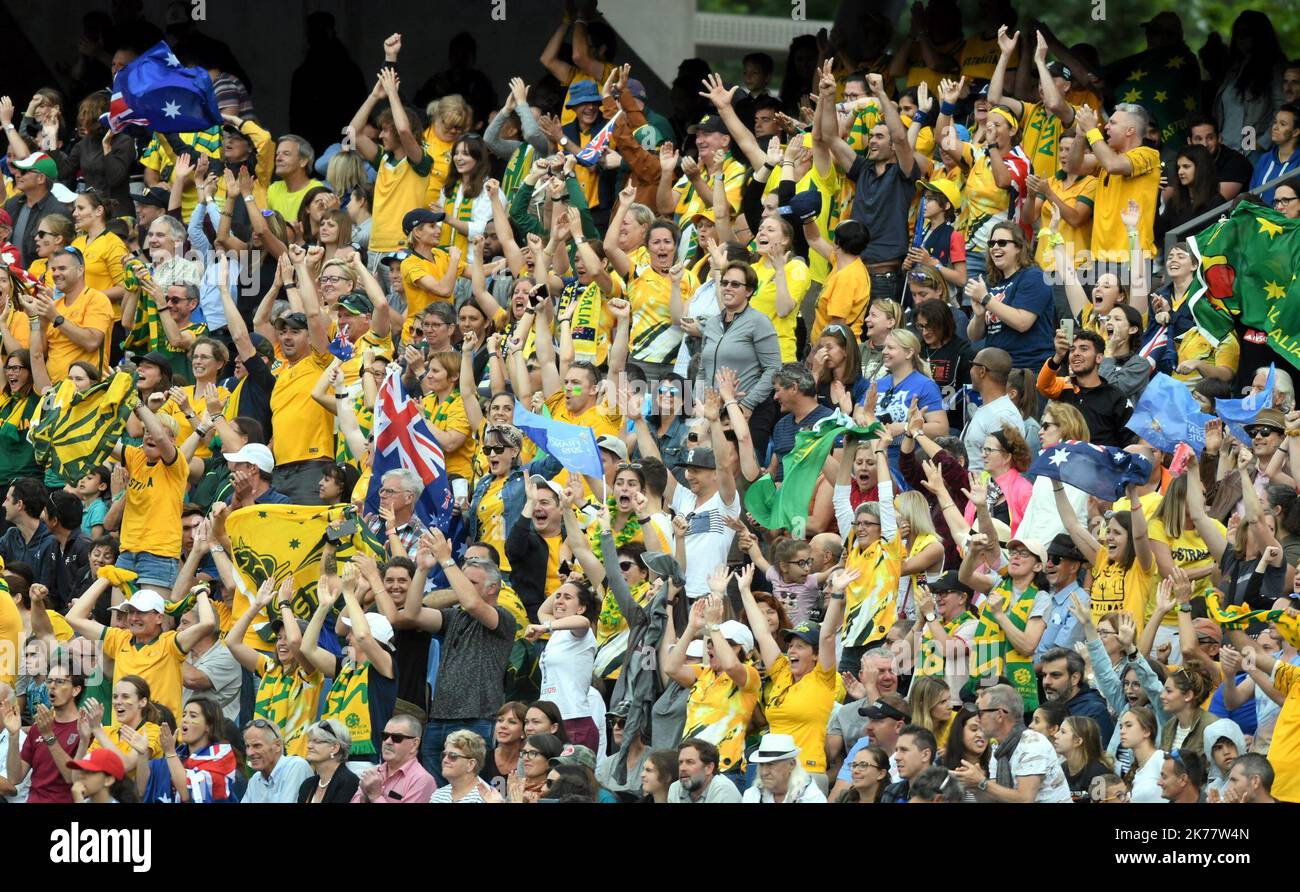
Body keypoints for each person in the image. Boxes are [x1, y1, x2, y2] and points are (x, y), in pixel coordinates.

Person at [65, 585, 214, 722]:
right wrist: (105, 577)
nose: (134, 618)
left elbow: (207, 624)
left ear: (159, 617)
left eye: (141, 612)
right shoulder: (119, 639)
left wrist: (201, 593)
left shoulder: (170, 644)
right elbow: (73, 617)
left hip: (159, 738)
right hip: (121, 737)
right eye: (131, 612)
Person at [953, 683, 1071, 802]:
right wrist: (975, 786)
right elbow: (993, 799)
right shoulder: (998, 749)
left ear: (999, 715)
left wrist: (982, 782)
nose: (977, 719)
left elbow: (1025, 799)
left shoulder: (1032, 744)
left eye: (981, 713)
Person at [966, 222, 1056, 371]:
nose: (995, 247)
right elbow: (974, 336)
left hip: (1027, 370)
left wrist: (986, 299)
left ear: (1019, 247)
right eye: (992, 243)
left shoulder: (1034, 277)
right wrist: (979, 316)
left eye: (1002, 243)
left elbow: (1022, 322)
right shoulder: (991, 283)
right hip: (995, 370)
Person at [523, 578, 598, 751]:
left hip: (574, 721)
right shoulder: (557, 631)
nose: (559, 601)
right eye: (557, 596)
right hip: (552, 722)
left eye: (567, 597)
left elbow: (583, 622)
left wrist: (545, 627)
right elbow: (543, 610)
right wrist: (567, 584)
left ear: (581, 608)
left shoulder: (579, 632)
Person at [2, 664, 83, 802]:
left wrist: (49, 736)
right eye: (49, 681)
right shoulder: (38, 727)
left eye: (59, 682)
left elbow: (73, 778)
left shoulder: (84, 727)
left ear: (75, 690)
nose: (51, 686)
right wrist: (14, 735)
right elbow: (14, 778)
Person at [143, 700, 241, 803]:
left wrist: (170, 753)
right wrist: (142, 753)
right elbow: (142, 788)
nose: (185, 720)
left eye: (193, 716)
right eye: (184, 715)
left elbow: (187, 794)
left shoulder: (220, 756)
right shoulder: (179, 755)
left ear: (209, 726)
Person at [961, 348, 1024, 473]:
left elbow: (1002, 469)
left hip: (984, 490)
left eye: (972, 365)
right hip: (971, 488)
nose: (970, 370)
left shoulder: (1003, 415)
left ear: (982, 371)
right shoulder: (990, 410)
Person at [352, 714, 437, 804]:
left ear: (415, 744)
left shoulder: (421, 780)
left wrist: (375, 796)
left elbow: (374, 795)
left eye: (397, 738)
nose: (388, 742)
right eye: (385, 736)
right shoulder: (374, 773)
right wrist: (365, 796)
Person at [1039, 646, 1115, 740]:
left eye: (1055, 675)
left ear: (1074, 678)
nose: (1046, 681)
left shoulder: (1094, 712)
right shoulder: (1048, 708)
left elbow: (1099, 753)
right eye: (1044, 675)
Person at [241, 718, 313, 804]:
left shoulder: (296, 766)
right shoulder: (255, 779)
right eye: (247, 746)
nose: (249, 753)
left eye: (257, 746)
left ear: (277, 745)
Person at [742, 732, 828, 803]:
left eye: (771, 764)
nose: (764, 772)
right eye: (761, 764)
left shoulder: (811, 797)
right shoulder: (752, 795)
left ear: (791, 764)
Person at [297, 719, 359, 803]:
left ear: (335, 748)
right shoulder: (307, 785)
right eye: (309, 741)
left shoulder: (349, 782)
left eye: (316, 741)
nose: (309, 746)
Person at [1054, 715, 1114, 800]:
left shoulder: (1098, 774)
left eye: (1063, 732)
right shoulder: (1062, 768)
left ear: (1078, 741)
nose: (1056, 735)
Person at [666, 737, 742, 803]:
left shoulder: (724, 790)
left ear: (709, 768)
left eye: (690, 762)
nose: (682, 768)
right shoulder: (675, 788)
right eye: (680, 762)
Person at [1250, 104, 1300, 203]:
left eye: (1283, 124)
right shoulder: (1265, 158)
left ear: (1295, 132)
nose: (1275, 128)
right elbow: (1251, 193)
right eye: (1275, 122)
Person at [430, 729, 497, 802]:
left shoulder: (488, 798)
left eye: (453, 756)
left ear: (471, 764)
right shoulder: (438, 795)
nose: (445, 760)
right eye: (444, 755)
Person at [1117, 705, 1165, 802]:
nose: (1122, 731)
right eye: (1121, 727)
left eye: (1128, 725)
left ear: (1146, 731)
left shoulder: (1161, 759)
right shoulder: (1135, 770)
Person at [881, 723, 936, 802]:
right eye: (896, 750)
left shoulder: (947, 794)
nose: (897, 757)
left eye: (904, 750)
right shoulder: (891, 791)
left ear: (925, 755)